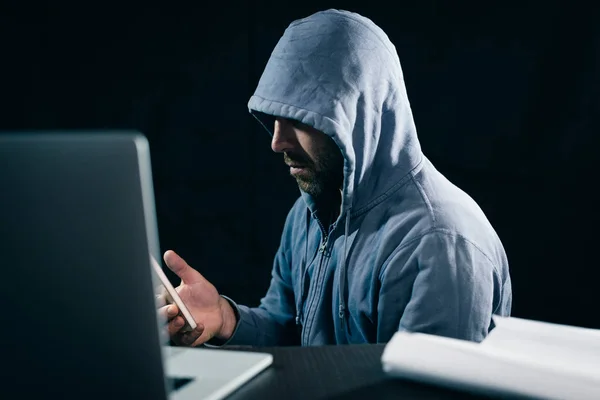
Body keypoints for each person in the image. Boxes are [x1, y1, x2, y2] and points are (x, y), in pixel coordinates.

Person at [157, 9, 512, 347]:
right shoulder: (309, 212)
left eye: (301, 119)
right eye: (274, 118)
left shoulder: (439, 242)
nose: (277, 141)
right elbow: (286, 330)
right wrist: (224, 317)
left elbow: (425, 390)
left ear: (358, 115)